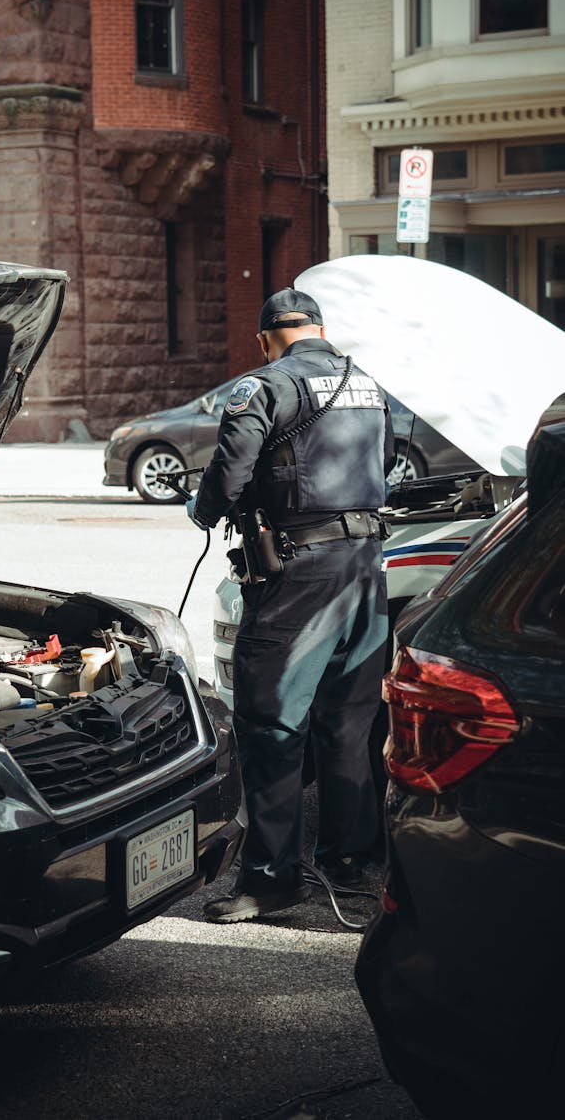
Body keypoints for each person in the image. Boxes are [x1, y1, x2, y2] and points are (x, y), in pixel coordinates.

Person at [186, 287, 395, 924]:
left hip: (299, 578)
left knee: (272, 726)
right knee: (349, 724)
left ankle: (273, 880)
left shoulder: (264, 386)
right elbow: (385, 462)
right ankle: (350, 860)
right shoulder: (370, 385)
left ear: (266, 337)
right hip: (367, 569)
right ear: (321, 330)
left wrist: (205, 510)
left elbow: (228, 474)